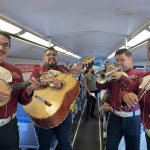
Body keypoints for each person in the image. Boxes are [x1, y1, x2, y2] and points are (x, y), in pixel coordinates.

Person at [30, 47, 80, 150]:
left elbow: (72, 89)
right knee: (44, 145)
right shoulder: (37, 71)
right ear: (44, 58)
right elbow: (32, 92)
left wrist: (63, 84)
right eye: (48, 54)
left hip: (63, 111)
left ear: (57, 58)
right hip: (43, 113)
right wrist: (46, 82)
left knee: (65, 144)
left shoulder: (64, 70)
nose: (51, 56)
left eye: (54, 54)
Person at [96, 49, 143, 150]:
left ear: (130, 59)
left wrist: (122, 77)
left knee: (133, 148)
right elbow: (99, 86)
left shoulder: (139, 74)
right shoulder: (113, 74)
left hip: (132, 119)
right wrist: (106, 73)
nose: (119, 63)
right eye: (117, 60)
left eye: (122, 60)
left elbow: (136, 90)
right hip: (114, 117)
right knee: (110, 146)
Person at [0, 31, 39, 150]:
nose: (1, 48)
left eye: (5, 45)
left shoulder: (16, 71)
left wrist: (29, 91)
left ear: (9, 48)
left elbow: (23, 101)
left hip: (9, 127)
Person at [121, 39, 150, 150]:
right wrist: (125, 96)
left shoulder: (139, 73)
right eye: (149, 49)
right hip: (147, 129)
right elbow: (127, 91)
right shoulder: (144, 76)